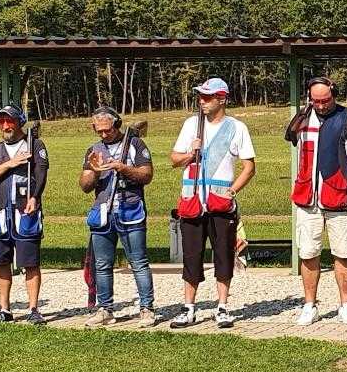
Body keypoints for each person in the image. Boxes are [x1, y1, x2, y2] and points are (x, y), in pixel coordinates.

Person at [285, 76, 347, 326]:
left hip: (340, 194)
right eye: (316, 101)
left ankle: (345, 305)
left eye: (325, 100)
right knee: (308, 251)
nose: (321, 105)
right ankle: (309, 305)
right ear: (309, 99)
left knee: (343, 251)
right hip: (307, 197)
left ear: (333, 94)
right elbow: (290, 137)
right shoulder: (302, 117)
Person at [169, 77, 257, 328]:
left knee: (223, 256)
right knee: (191, 256)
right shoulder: (190, 125)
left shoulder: (237, 127)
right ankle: (189, 307)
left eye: (207, 97)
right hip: (192, 203)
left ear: (222, 99)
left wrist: (232, 191)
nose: (202, 102)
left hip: (220, 205)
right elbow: (174, 159)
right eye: (200, 97)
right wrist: (190, 153)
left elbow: (249, 167)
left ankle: (222, 307)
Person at [80, 108, 156, 329]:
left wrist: (123, 168)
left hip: (130, 209)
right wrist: (94, 171)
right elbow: (85, 186)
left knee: (139, 262)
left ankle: (147, 308)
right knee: (102, 265)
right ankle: (105, 309)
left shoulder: (135, 144)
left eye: (108, 130)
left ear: (118, 124)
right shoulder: (93, 150)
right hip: (103, 213)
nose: (104, 135)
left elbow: (147, 175)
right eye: (99, 131)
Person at [0, 105, 49, 325]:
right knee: (1, 262)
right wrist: (10, 164)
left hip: (25, 210)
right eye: (2, 122)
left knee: (30, 262)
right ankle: (4, 309)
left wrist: (35, 198)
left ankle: (34, 309)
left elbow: (41, 173)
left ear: (20, 122)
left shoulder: (35, 145)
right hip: (0, 212)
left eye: (10, 121)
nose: (6, 126)